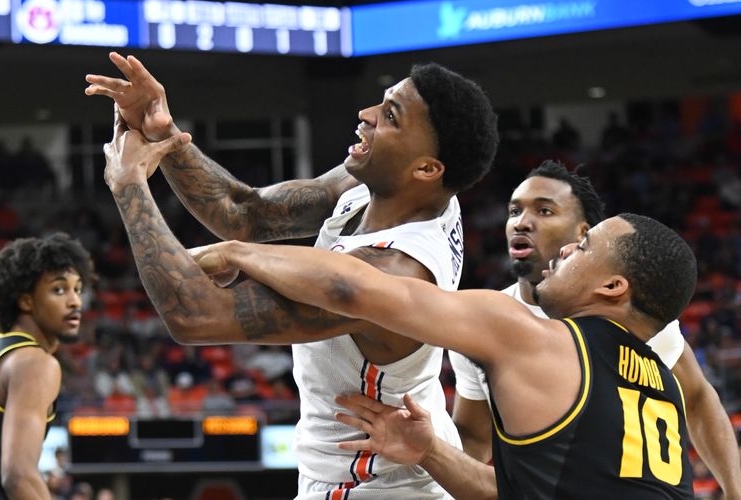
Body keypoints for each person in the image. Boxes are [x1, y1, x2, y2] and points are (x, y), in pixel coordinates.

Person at [87, 52, 499, 499]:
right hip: (357, 472)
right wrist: (164, 135)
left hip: (376, 485)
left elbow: (196, 315)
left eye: (390, 117)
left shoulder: (401, 269)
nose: (366, 116)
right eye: (381, 103)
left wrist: (129, 183)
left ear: (426, 168)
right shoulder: (389, 185)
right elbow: (246, 212)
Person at [192, 213, 699, 499]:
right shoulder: (664, 390)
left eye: (584, 247)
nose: (565, 250)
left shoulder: (537, 338)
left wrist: (240, 252)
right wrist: (429, 450)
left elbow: (362, 291)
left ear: (613, 286)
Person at [448, 160, 741, 495]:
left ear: (581, 233)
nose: (522, 223)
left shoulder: (632, 317)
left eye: (544, 211)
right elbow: (473, 439)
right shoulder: (486, 320)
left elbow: (699, 397)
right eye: (514, 211)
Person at [0, 233, 93, 500]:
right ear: (26, 300)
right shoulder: (34, 362)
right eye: (59, 289)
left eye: (77, 289)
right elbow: (19, 476)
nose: (75, 302)